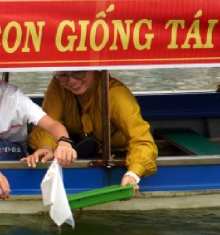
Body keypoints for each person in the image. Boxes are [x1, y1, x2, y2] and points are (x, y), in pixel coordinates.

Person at [28, 70, 157, 193]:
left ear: (94, 70)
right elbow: (47, 124)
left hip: (122, 153)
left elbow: (143, 141)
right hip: (85, 148)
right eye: (63, 75)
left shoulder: (116, 94)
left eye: (78, 73)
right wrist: (47, 146)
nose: (71, 80)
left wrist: (133, 174)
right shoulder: (58, 86)